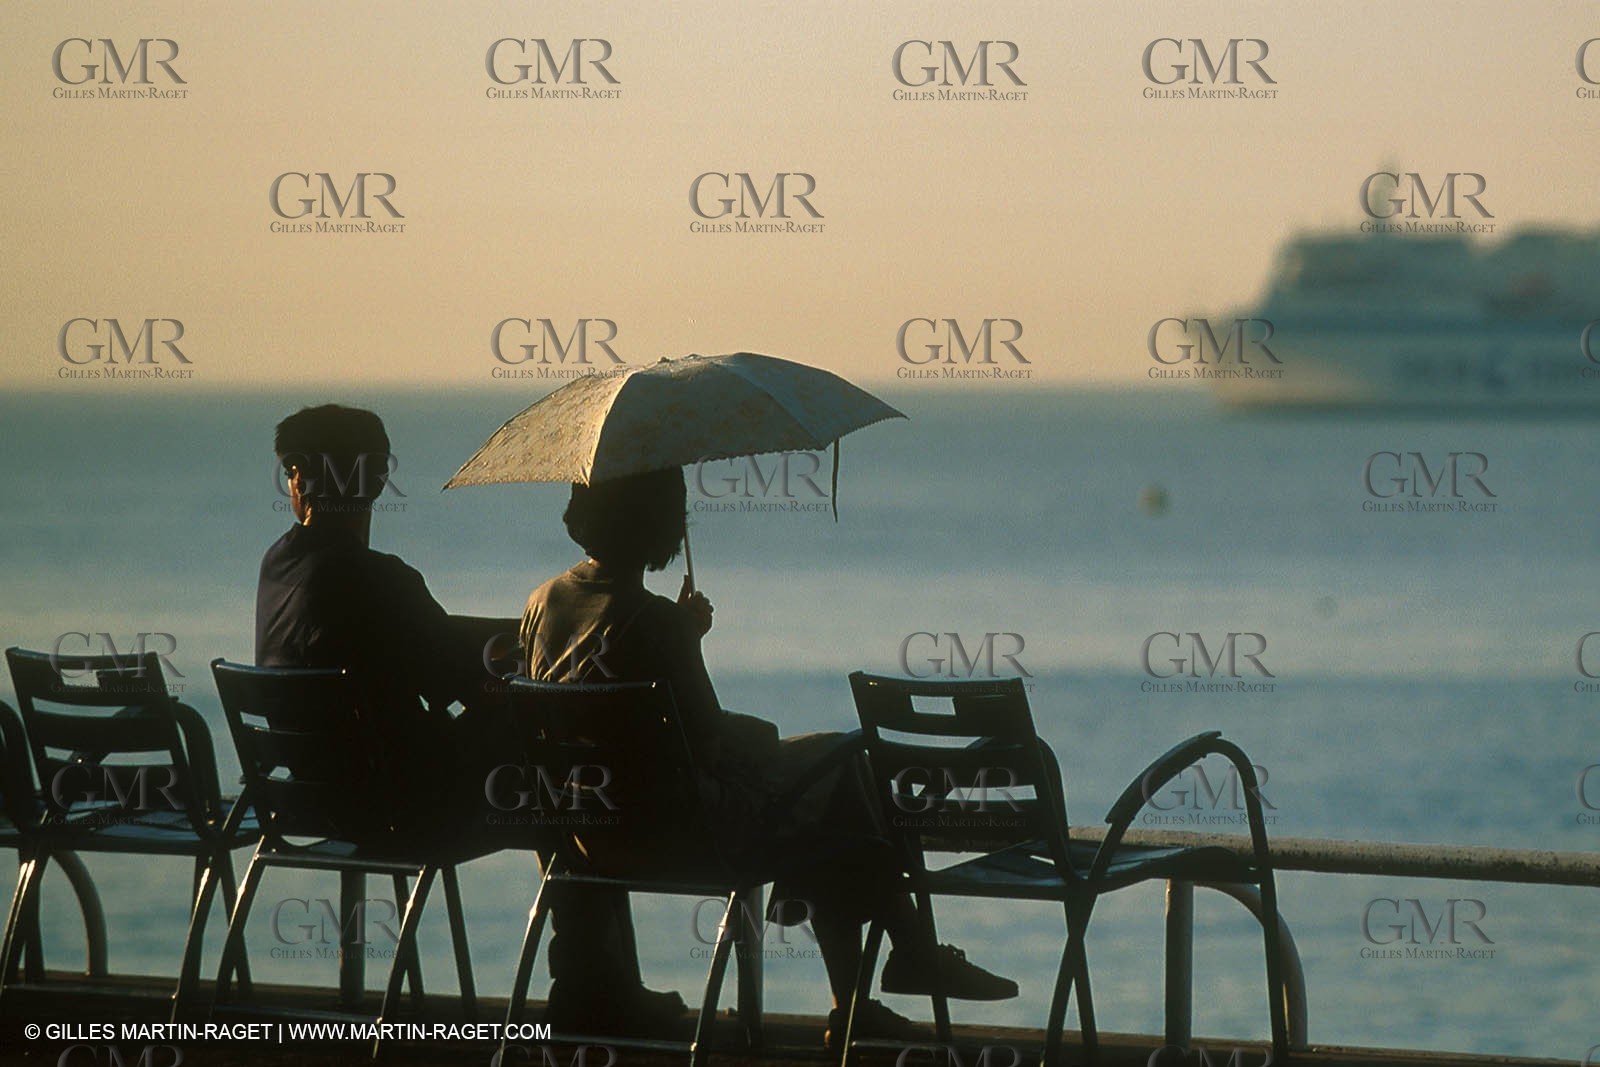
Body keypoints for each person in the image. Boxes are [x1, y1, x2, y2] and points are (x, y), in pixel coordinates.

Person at [520, 467, 1018, 1046]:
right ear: (654, 520)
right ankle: (895, 964)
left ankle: (868, 997)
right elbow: (707, 744)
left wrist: (686, 644)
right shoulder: (655, 622)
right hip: (685, 837)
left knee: (832, 793)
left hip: (587, 837)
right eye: (677, 505)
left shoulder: (543, 601)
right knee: (844, 770)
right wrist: (702, 660)